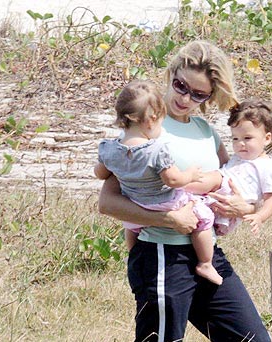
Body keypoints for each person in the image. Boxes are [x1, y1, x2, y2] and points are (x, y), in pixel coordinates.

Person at [98, 40, 272, 342]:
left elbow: (232, 179)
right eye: (180, 85)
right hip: (160, 255)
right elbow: (107, 202)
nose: (184, 98)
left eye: (198, 94)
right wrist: (168, 220)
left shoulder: (206, 133)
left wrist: (246, 207)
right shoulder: (144, 126)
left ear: (210, 97)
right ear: (170, 75)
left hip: (205, 254)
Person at [94, 80, 223, 285]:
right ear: (152, 120)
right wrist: (189, 174)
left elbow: (100, 173)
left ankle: (133, 252)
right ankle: (206, 262)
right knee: (203, 217)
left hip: (136, 204)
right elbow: (173, 180)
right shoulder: (156, 150)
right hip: (165, 203)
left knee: (132, 226)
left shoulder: (109, 148)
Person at [192, 100, 272, 236]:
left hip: (231, 197)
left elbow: (271, 198)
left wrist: (260, 216)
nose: (240, 144)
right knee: (197, 217)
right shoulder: (238, 158)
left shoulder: (266, 167)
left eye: (247, 138)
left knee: (215, 178)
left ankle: (178, 183)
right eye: (235, 139)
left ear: (267, 138)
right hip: (216, 200)